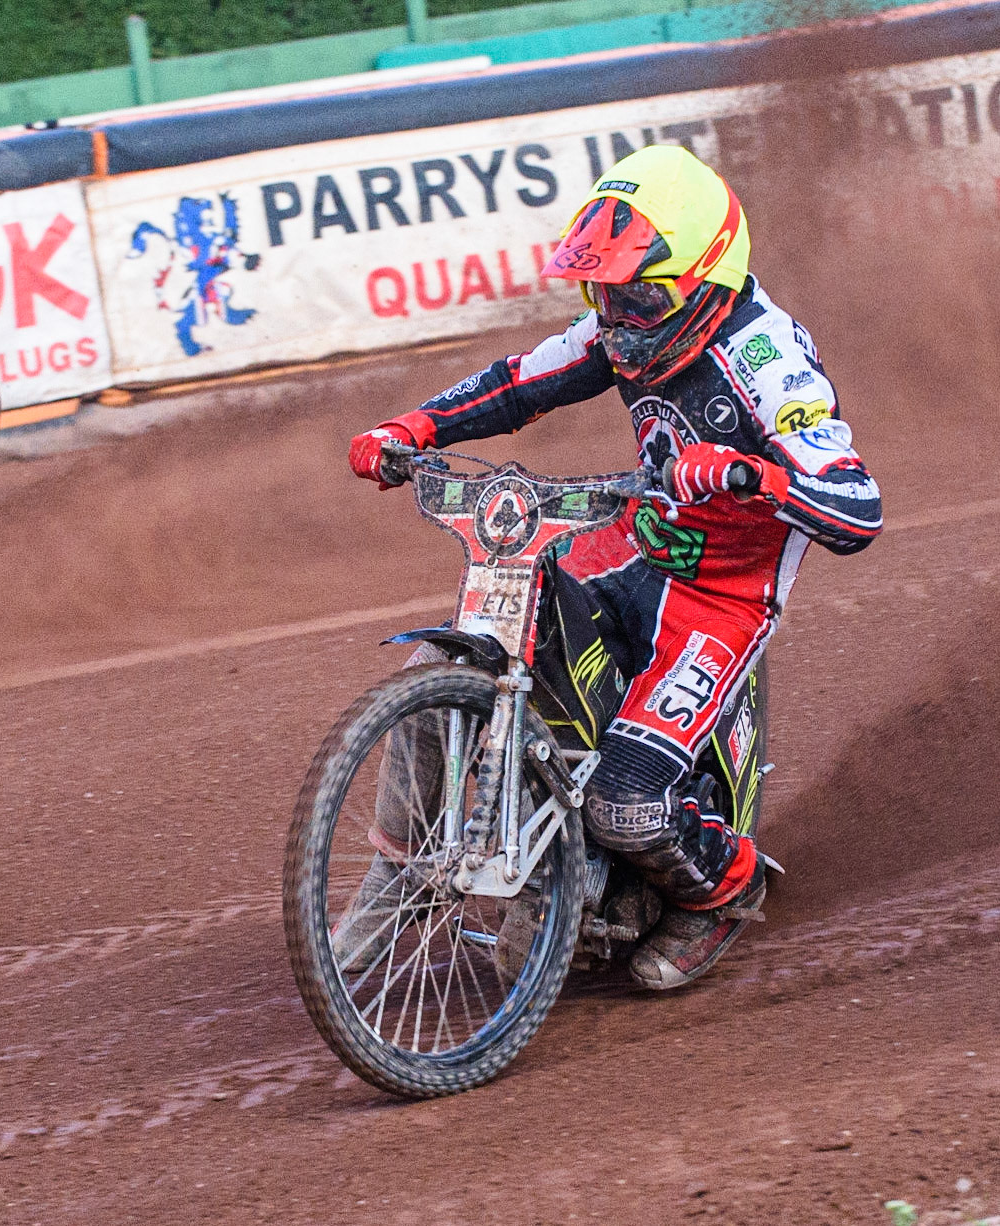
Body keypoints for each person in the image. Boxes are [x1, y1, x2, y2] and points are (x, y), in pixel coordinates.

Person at [347, 145, 881, 989]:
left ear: (704, 275)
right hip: (630, 540)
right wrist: (408, 430)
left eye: (636, 294)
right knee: (459, 652)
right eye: (601, 293)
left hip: (721, 594)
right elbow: (519, 383)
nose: (617, 316)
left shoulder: (765, 359)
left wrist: (751, 474)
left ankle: (724, 891)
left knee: (625, 804)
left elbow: (857, 507)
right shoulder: (624, 329)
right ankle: (408, 871)